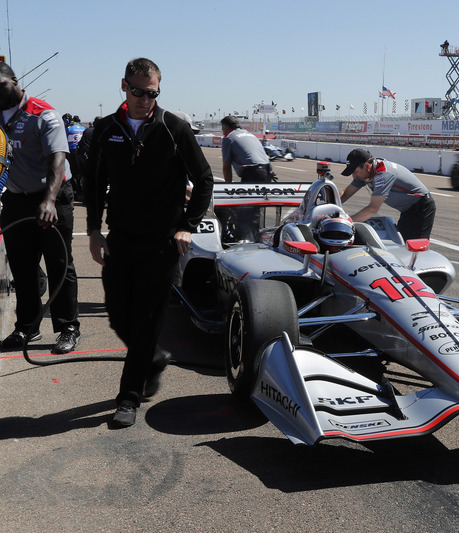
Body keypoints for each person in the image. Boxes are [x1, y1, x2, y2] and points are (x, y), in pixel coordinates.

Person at [85, 57, 213, 428]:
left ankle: (128, 397)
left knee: (146, 321)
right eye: (139, 91)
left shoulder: (174, 127)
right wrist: (94, 230)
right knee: (118, 316)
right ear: (124, 86)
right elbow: (92, 183)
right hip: (121, 238)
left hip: (163, 243)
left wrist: (188, 225)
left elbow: (203, 178)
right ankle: (154, 358)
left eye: (153, 93)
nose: (145, 99)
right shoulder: (106, 128)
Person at [0, 62, 81, 354]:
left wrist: (48, 200)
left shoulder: (43, 113)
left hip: (52, 194)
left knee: (59, 263)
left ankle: (68, 327)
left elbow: (57, 160)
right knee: (22, 267)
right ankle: (26, 328)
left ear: (14, 81)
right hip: (16, 197)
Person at [339, 148, 436, 240]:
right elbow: (346, 193)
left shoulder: (383, 174)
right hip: (408, 210)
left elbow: (372, 209)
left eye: (355, 172)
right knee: (402, 246)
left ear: (366, 166)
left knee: (414, 250)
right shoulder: (366, 173)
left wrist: (346, 222)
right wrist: (330, 204)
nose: (353, 176)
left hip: (422, 208)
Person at [220, 115, 276, 183]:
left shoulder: (228, 138)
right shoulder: (250, 135)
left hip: (252, 172)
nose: (221, 129)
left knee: (245, 193)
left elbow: (226, 166)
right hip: (267, 169)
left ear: (227, 127)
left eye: (222, 127)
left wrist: (228, 186)